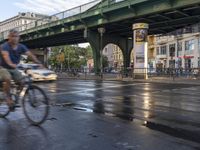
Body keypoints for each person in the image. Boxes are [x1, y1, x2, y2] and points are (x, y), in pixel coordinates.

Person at [0, 29, 43, 111]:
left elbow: (30, 55)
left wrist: (38, 62)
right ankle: (8, 98)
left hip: (13, 68)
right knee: (7, 78)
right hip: (3, 67)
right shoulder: (4, 46)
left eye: (16, 36)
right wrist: (11, 64)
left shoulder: (21, 47)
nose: (14, 38)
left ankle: (16, 97)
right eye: (12, 36)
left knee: (23, 82)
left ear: (19, 37)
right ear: (8, 37)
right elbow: (6, 57)